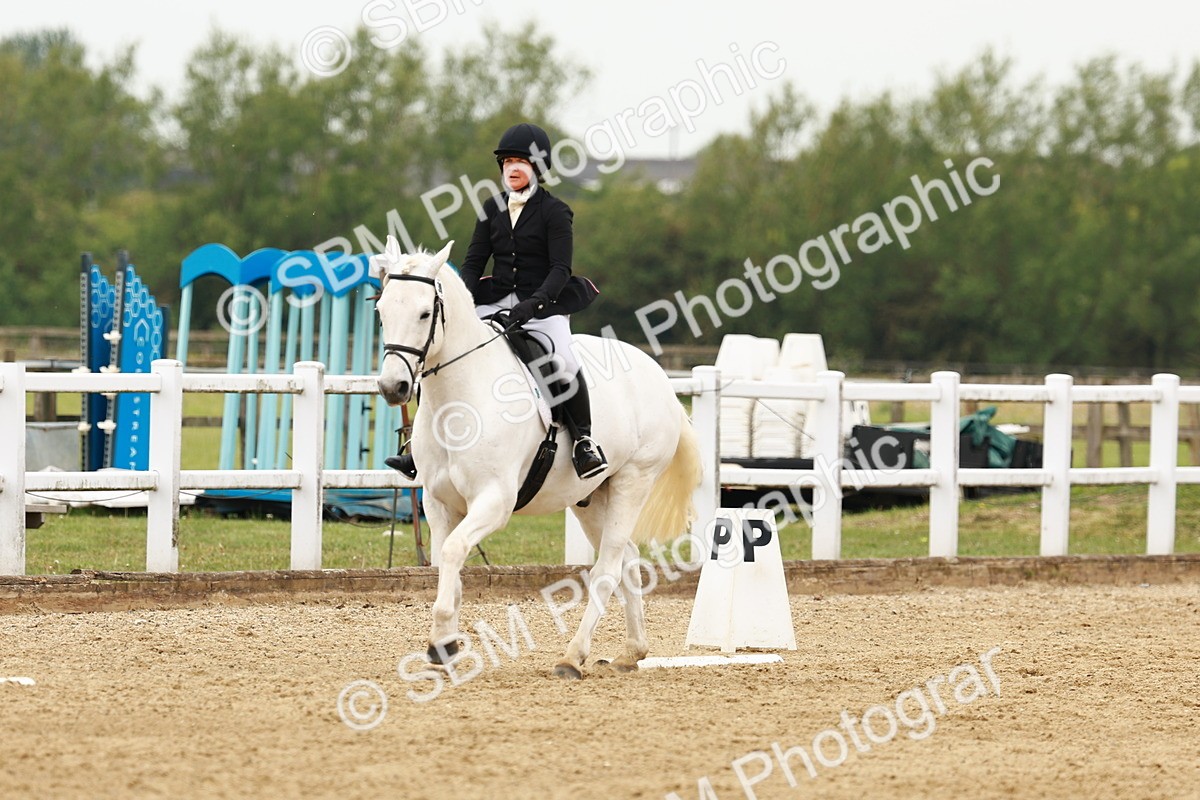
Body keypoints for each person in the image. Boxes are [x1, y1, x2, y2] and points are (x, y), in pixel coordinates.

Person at [389, 122, 607, 480]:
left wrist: (532, 305)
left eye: (520, 161)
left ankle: (584, 441)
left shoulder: (556, 212)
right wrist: (463, 300)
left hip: (542, 306)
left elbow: (559, 269)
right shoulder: (490, 209)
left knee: (563, 358)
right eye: (507, 162)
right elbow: (474, 262)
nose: (512, 168)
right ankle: (419, 445)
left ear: (537, 167)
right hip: (493, 301)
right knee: (440, 352)